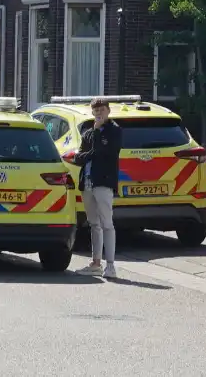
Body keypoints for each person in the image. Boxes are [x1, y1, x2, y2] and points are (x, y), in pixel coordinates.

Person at [72, 98, 122, 278]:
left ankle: (110, 266)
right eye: (96, 110)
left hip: (103, 182)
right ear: (92, 112)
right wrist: (87, 154)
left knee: (107, 223)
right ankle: (96, 263)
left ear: (108, 111)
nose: (99, 112)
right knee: (94, 224)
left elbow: (103, 151)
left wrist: (88, 154)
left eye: (102, 109)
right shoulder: (89, 132)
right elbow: (79, 157)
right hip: (87, 182)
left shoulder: (114, 131)